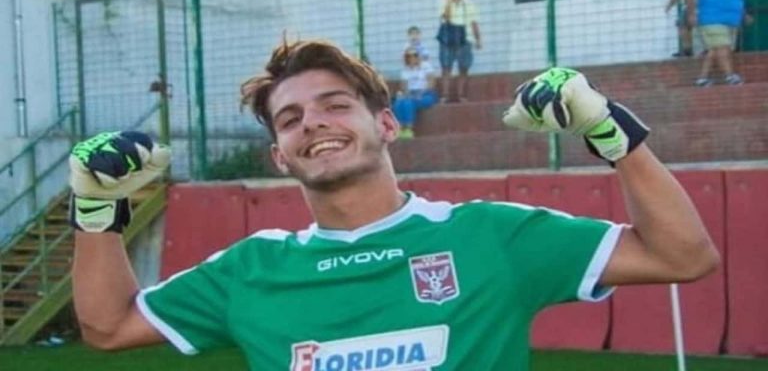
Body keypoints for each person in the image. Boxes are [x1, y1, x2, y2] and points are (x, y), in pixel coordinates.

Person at [68, 41, 719, 370]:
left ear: (386, 124)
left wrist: (609, 130)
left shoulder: (488, 236)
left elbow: (683, 255)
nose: (313, 123)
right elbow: (107, 327)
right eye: (290, 119)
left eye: (335, 105)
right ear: (280, 157)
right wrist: (96, 209)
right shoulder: (250, 270)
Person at [687, 0, 749, 87]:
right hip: (712, 19)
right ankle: (730, 76)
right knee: (722, 47)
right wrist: (692, 14)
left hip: (730, 21)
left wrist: (744, 15)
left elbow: (737, 0)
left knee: (715, 49)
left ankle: (702, 78)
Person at [437, 0, 481, 103]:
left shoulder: (469, 5)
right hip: (447, 40)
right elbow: (445, 18)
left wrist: (478, 39)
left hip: (465, 39)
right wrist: (449, 2)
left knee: (464, 68)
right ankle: (445, 95)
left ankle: (462, 95)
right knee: (446, 68)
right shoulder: (444, 3)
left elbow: (474, 23)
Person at [392, 48, 438, 139]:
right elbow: (404, 87)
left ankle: (409, 128)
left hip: (426, 93)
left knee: (409, 102)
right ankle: (401, 128)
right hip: (411, 94)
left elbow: (431, 82)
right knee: (399, 102)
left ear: (418, 56)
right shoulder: (405, 70)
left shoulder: (426, 66)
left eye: (415, 55)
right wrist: (405, 94)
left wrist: (421, 93)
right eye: (409, 56)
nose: (412, 58)